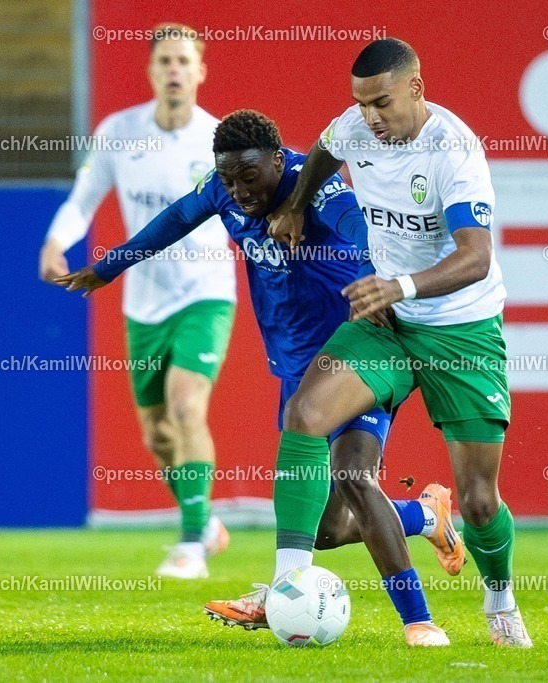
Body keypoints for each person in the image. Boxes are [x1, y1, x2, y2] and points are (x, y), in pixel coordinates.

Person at [55, 110, 463, 647]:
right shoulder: (224, 190)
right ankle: (426, 515)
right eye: (228, 180)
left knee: (356, 480)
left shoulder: (316, 191)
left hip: (357, 356)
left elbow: (362, 227)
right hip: (296, 367)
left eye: (250, 178)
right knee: (326, 526)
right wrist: (108, 268)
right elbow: (177, 217)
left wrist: (377, 279)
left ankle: (411, 621)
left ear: (277, 161)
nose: (239, 191)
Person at [265, 38, 532, 647]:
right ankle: (288, 584)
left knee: (480, 501)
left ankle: (499, 599)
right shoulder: (357, 129)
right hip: (387, 325)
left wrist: (400, 286)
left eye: (381, 103)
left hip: (459, 330)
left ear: (416, 87)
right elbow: (326, 152)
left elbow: (475, 258)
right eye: (361, 105)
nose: (370, 118)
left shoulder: (455, 153)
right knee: (305, 414)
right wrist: (299, 207)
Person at [39, 25, 236, 579]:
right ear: (151, 71)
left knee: (185, 406)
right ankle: (206, 522)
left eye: (184, 61)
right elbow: (83, 202)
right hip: (143, 303)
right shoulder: (118, 133)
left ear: (200, 72)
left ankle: (192, 544)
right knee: (157, 433)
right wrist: (57, 242)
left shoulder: (221, 141)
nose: (174, 70)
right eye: (164, 61)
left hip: (205, 295)